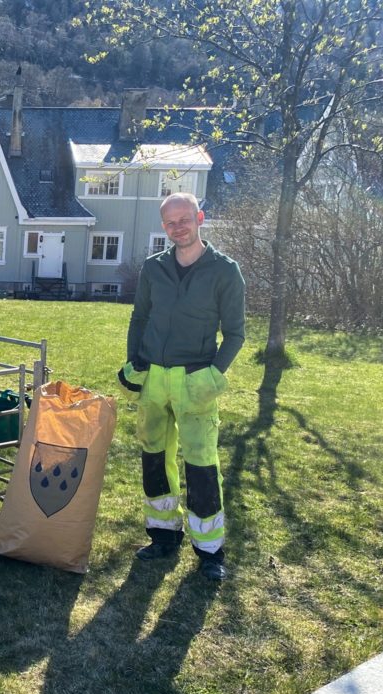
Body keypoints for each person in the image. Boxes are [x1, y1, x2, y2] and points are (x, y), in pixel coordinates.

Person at [118, 192, 245, 581]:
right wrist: (134, 361)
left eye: (185, 219)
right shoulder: (153, 268)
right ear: (164, 227)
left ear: (200, 217)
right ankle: (162, 534)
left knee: (202, 463)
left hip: (195, 380)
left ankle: (210, 552)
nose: (179, 227)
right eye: (171, 222)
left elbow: (236, 335)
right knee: (154, 456)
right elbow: (140, 317)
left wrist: (212, 376)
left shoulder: (225, 271)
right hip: (154, 377)